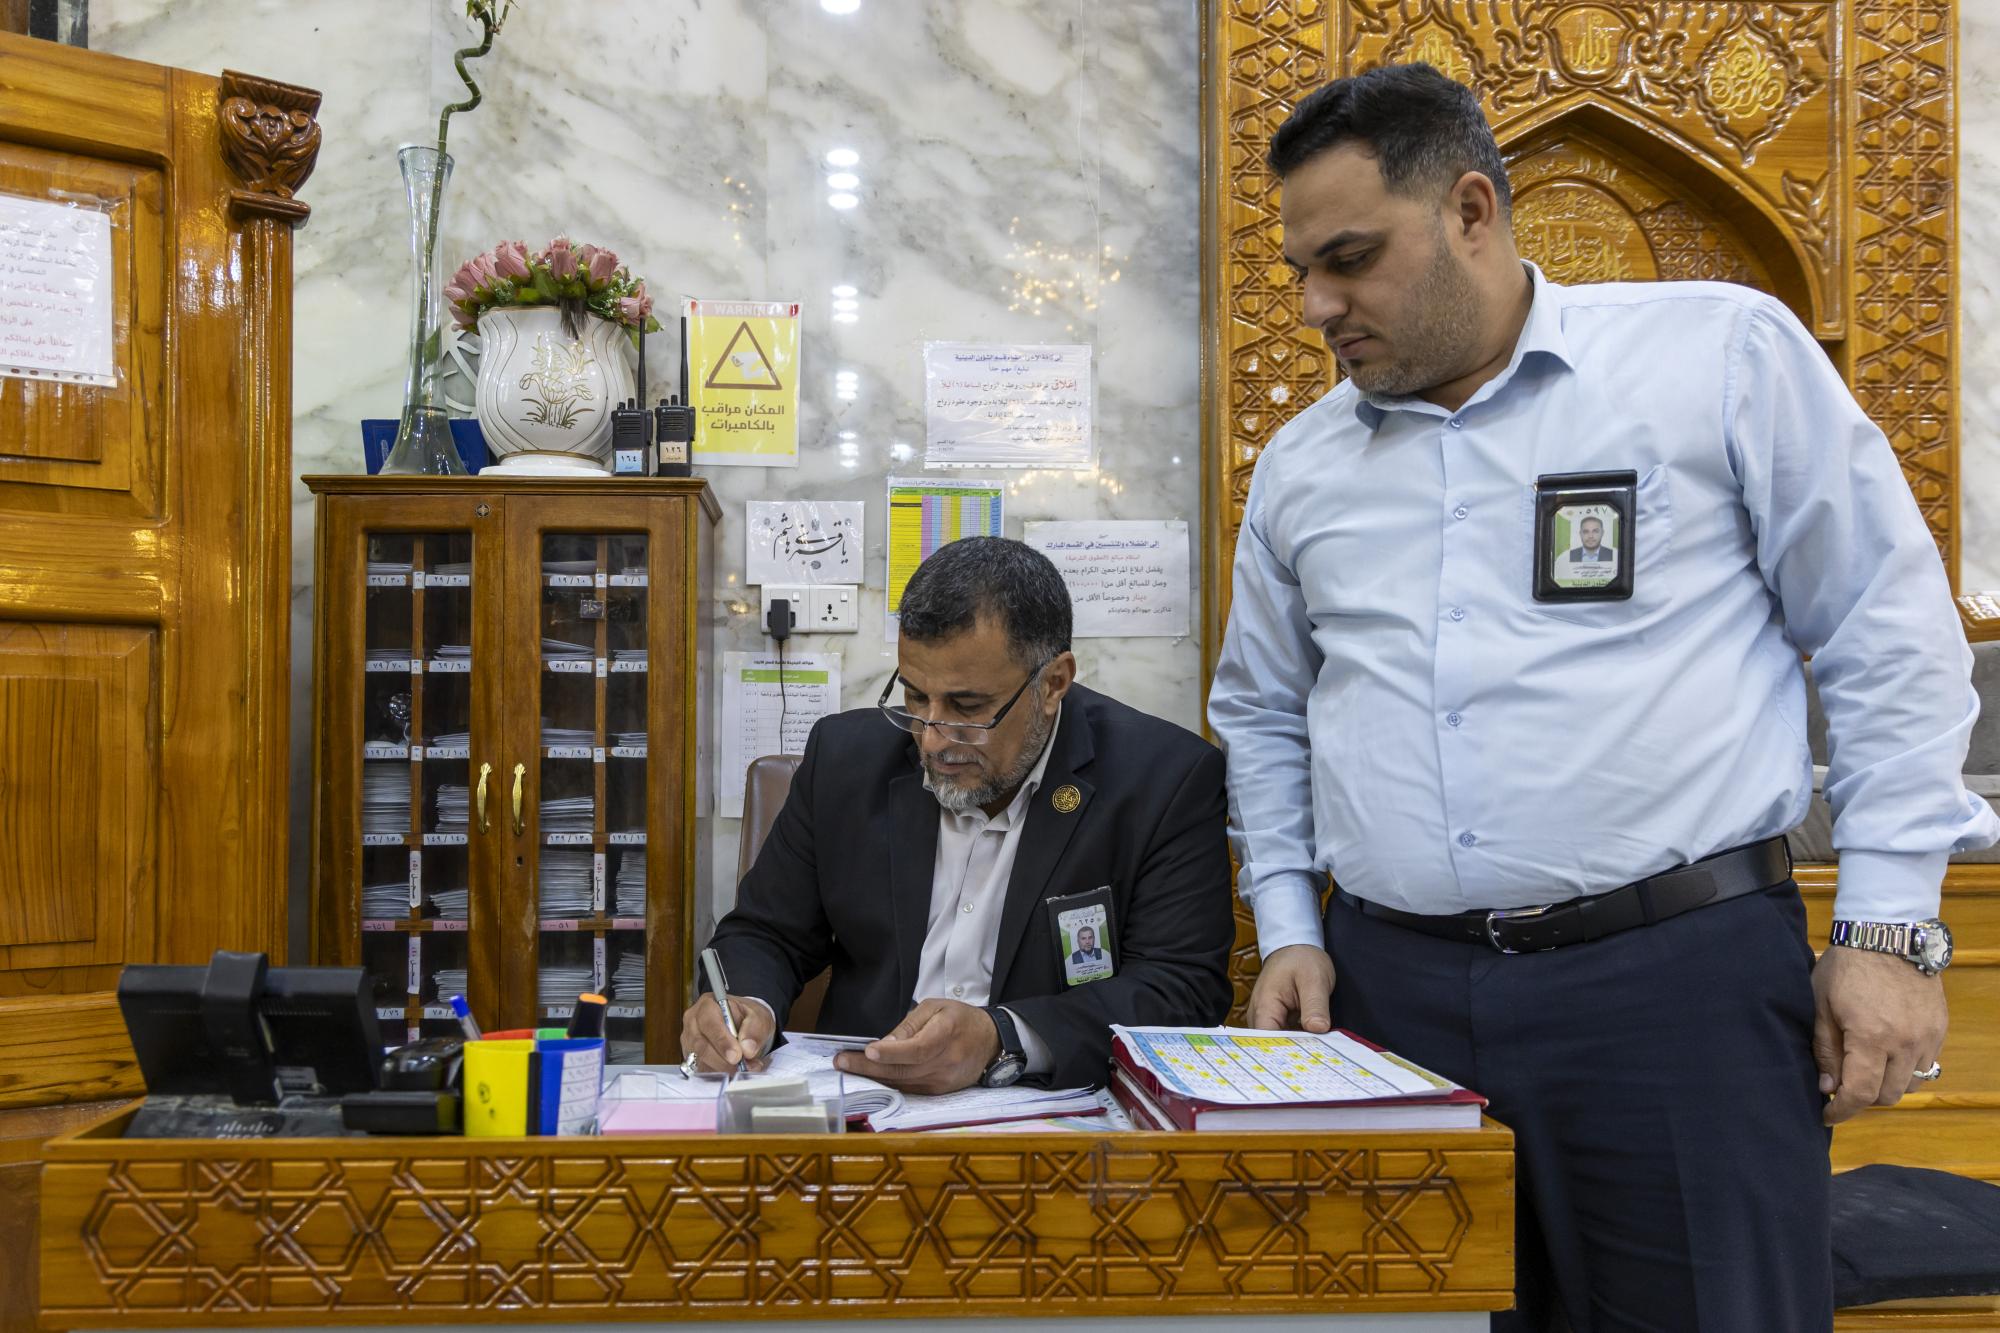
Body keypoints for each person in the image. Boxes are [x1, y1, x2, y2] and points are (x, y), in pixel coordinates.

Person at [1207, 62, 1995, 1332]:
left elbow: (1884, 635)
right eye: (1303, 268)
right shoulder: (1304, 465)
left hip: (1671, 992)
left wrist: (1886, 928)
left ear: (1471, 210)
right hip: (1390, 997)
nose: (1316, 306)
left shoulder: (1715, 359)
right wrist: (1291, 923)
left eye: (1349, 259)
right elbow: (1260, 710)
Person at [686, 536, 1234, 1094]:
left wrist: (1003, 1037)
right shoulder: (844, 759)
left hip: (1049, 1108)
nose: (932, 739)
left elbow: (1183, 988)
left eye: (968, 708)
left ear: (1053, 684)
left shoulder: (1164, 780)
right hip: (863, 1098)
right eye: (915, 697)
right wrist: (744, 1005)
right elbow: (765, 933)